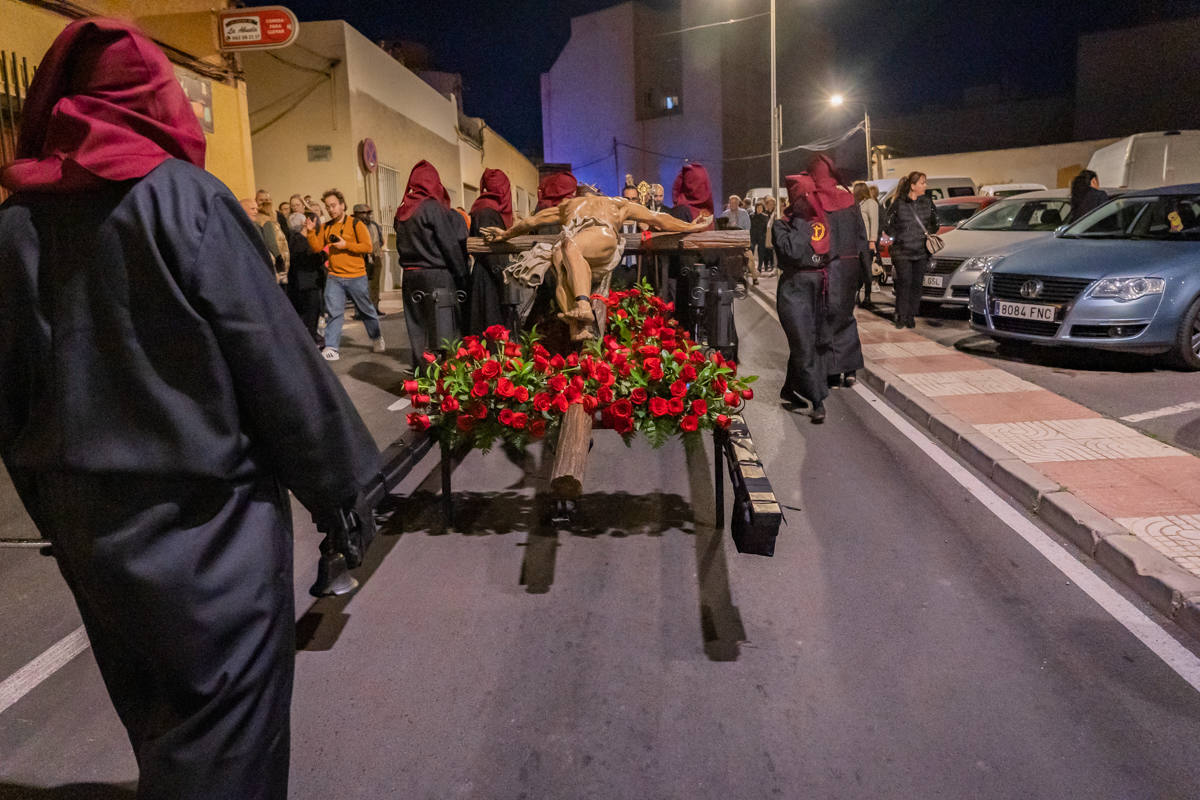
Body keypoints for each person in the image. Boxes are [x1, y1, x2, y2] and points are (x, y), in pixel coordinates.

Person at [0, 20, 381, 800]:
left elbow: (9, 398)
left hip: (88, 526)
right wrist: (343, 490)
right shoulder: (182, 201)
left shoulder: (14, 226)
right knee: (228, 731)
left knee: (155, 711)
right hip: (205, 526)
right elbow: (273, 360)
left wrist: (53, 503)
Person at [481, 187, 713, 341]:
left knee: (569, 246)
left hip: (599, 237)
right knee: (559, 260)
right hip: (573, 244)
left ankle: (583, 306)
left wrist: (691, 227)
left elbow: (657, 218)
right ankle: (577, 327)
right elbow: (532, 221)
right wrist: (504, 235)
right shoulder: (569, 206)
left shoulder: (614, 203)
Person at [393, 160, 469, 369]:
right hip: (437, 275)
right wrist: (462, 275)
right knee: (445, 331)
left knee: (418, 329)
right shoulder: (433, 208)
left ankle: (424, 376)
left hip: (410, 277)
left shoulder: (402, 210)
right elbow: (449, 244)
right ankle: (447, 380)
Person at [773, 174, 832, 423]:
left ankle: (791, 389)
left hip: (819, 288)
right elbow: (794, 252)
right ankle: (818, 400)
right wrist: (802, 222)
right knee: (803, 343)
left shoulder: (825, 224)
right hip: (793, 291)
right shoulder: (781, 225)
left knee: (814, 343)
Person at [807, 154, 867, 387]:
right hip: (850, 265)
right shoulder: (849, 198)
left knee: (826, 317)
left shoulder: (814, 201)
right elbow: (861, 237)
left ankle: (833, 371)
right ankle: (850, 369)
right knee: (846, 316)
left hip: (826, 266)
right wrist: (864, 271)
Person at [306, 188, 384, 360]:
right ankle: (332, 347)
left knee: (366, 310)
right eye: (328, 207)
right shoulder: (326, 227)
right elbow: (317, 247)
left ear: (342, 205)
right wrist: (311, 231)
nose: (331, 209)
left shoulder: (356, 224)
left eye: (333, 205)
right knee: (333, 312)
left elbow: (367, 247)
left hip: (356, 276)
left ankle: (376, 337)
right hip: (334, 277)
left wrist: (345, 245)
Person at [883, 170, 937, 329]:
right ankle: (900, 314)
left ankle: (911, 315)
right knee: (904, 282)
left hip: (921, 251)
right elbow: (887, 223)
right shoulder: (899, 203)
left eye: (925, 182)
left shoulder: (927, 202)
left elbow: (936, 222)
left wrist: (928, 233)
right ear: (913, 186)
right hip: (902, 251)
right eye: (922, 183)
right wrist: (898, 235)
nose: (925, 186)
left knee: (916, 284)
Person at [467, 168, 514, 334]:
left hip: (487, 273)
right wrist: (501, 273)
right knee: (491, 321)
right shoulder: (488, 210)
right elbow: (490, 248)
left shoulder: (485, 207)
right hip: (489, 276)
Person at [286, 211, 326, 345]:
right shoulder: (301, 242)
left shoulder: (292, 240)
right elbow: (311, 260)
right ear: (304, 223)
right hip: (308, 283)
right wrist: (324, 255)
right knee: (311, 315)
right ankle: (311, 340)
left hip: (302, 283)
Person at [241, 196, 288, 285]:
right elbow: (270, 245)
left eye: (256, 208)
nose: (256, 211)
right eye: (252, 209)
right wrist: (279, 261)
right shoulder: (263, 224)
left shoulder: (257, 225)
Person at [352, 202, 386, 312]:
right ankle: (360, 311)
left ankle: (375, 308)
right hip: (359, 259)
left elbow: (380, 240)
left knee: (375, 285)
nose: (367, 215)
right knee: (360, 287)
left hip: (375, 257)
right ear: (356, 214)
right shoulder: (353, 226)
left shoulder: (374, 225)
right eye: (363, 213)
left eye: (368, 213)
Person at [853, 181, 879, 309]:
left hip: (866, 241)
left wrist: (872, 241)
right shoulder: (856, 204)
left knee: (867, 270)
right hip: (855, 242)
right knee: (857, 270)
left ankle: (868, 296)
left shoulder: (871, 203)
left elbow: (874, 222)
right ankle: (857, 293)